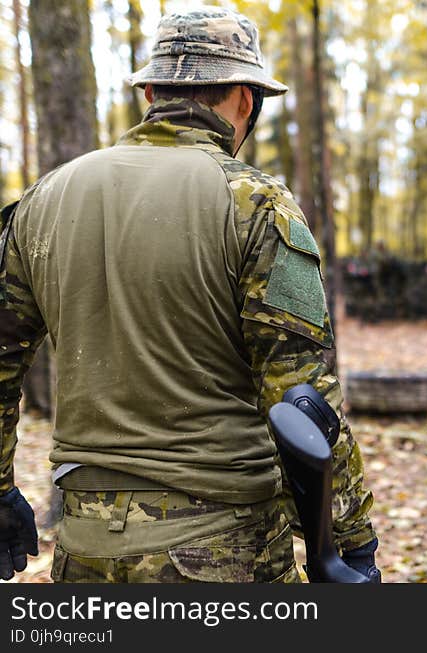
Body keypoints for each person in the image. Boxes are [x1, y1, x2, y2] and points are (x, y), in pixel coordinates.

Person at [0, 7, 379, 583]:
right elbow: (303, 396)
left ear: (150, 91)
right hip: (224, 552)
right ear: (246, 99)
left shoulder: (42, 201)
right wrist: (351, 543)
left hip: (85, 551)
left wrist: (1, 493)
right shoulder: (254, 204)